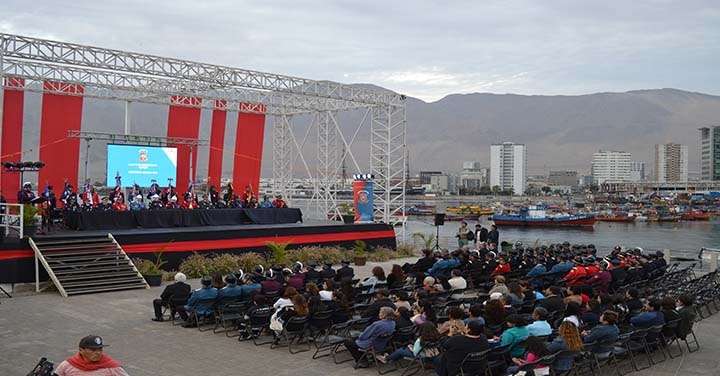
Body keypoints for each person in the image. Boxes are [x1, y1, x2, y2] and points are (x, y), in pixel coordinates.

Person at [54, 335, 129, 376]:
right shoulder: (67, 365)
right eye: (93, 350)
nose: (98, 353)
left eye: (100, 349)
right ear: (81, 350)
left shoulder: (111, 367)